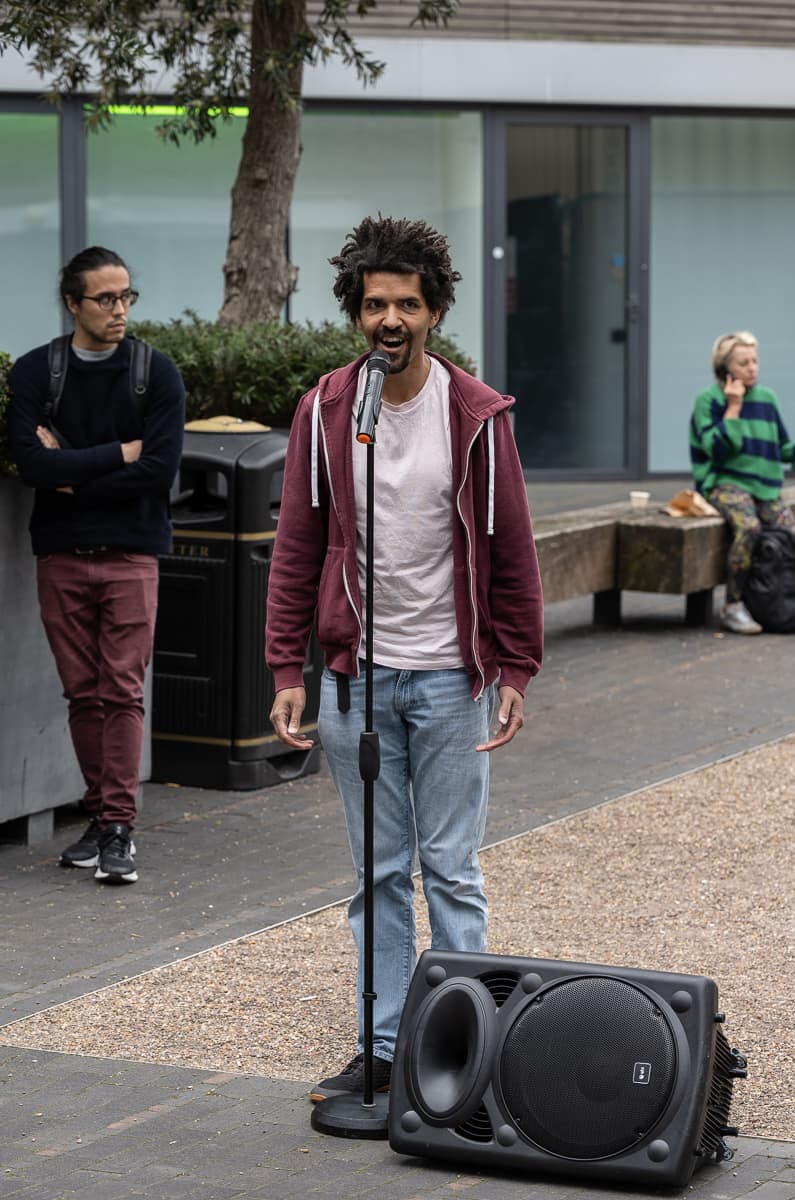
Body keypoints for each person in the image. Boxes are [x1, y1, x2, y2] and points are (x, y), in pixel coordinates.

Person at [265, 215, 544, 1102]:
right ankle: (384, 1051)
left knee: (452, 872)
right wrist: (285, 670)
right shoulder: (328, 412)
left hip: (452, 679)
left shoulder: (475, 414)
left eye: (409, 305)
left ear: (434, 312)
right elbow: (297, 548)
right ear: (356, 313)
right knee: (377, 874)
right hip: (355, 682)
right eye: (376, 304)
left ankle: (466, 1053)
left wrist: (515, 667)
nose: (392, 319)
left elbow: (511, 548)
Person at [8, 246, 185, 884]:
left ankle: (117, 828)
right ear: (72, 303)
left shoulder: (154, 374)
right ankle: (101, 816)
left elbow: (160, 472)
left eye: (127, 296)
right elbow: (32, 467)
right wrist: (119, 454)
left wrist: (73, 473)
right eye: (106, 299)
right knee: (83, 694)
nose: (119, 310)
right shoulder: (36, 372)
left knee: (122, 692)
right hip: (60, 557)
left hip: (132, 555)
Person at [690, 330, 795, 635]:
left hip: (765, 489)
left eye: (755, 360)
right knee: (749, 528)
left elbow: (784, 447)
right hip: (724, 485)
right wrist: (734, 407)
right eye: (743, 363)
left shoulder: (767, 398)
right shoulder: (708, 401)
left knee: (794, 533)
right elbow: (717, 449)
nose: (752, 367)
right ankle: (733, 605)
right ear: (725, 369)